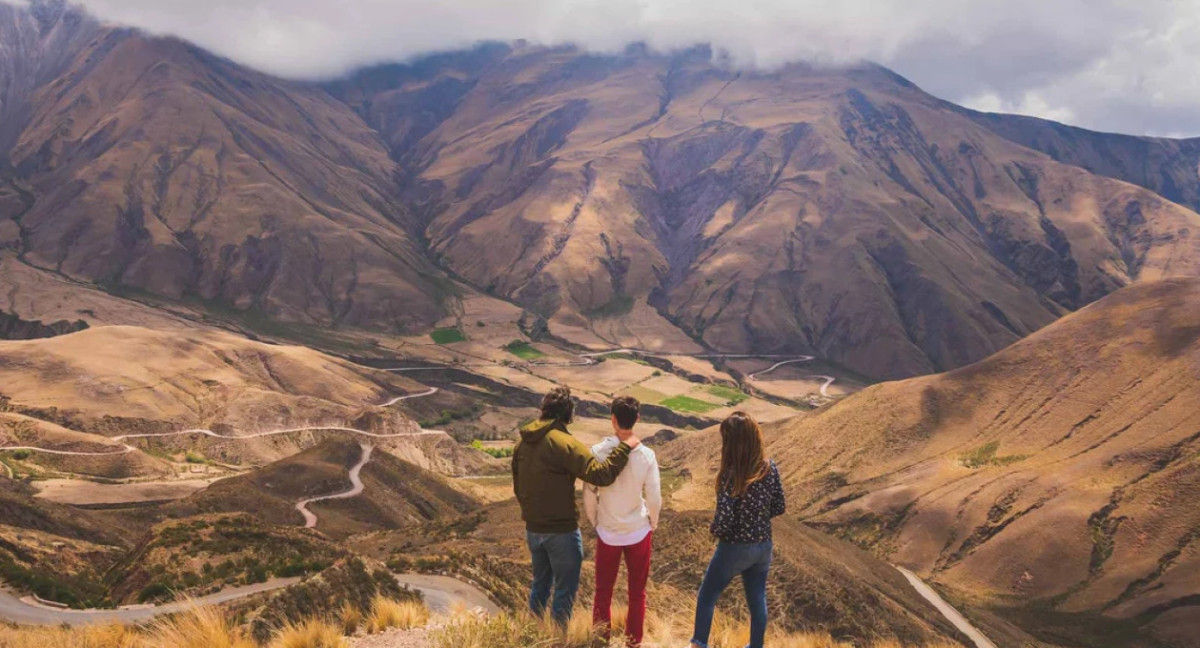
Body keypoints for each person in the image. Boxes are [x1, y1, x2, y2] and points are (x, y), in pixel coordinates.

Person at [513, 386, 641, 627]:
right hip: (561, 532)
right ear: (568, 414)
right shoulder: (563, 443)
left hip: (533, 529)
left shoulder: (522, 443)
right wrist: (625, 447)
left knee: (539, 587)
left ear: (544, 410)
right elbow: (601, 475)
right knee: (564, 591)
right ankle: (557, 641)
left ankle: (532, 638)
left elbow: (517, 487)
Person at [688, 412, 786, 648]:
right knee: (757, 601)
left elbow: (724, 520)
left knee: (707, 597)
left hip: (735, 547)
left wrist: (715, 529)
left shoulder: (730, 475)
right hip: (763, 545)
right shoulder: (769, 467)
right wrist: (757, 519)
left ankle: (699, 644)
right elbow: (779, 505)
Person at [584, 396, 662, 648]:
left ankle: (600, 639)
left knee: (602, 591)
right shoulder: (647, 456)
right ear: (638, 419)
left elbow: (588, 493)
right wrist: (654, 522)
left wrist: (595, 521)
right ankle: (633, 641)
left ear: (613, 419)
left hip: (608, 531)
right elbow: (654, 496)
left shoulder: (597, 452)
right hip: (638, 531)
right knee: (637, 593)